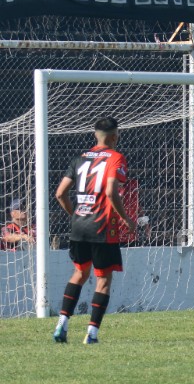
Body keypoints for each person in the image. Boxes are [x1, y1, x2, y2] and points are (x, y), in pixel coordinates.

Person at [53, 117, 136, 344]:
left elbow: (60, 194)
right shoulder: (117, 158)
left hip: (79, 227)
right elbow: (111, 191)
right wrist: (126, 218)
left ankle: (62, 324)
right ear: (114, 137)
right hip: (103, 228)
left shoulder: (79, 158)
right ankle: (91, 333)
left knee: (79, 274)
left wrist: (75, 215)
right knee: (103, 280)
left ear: (95, 135)